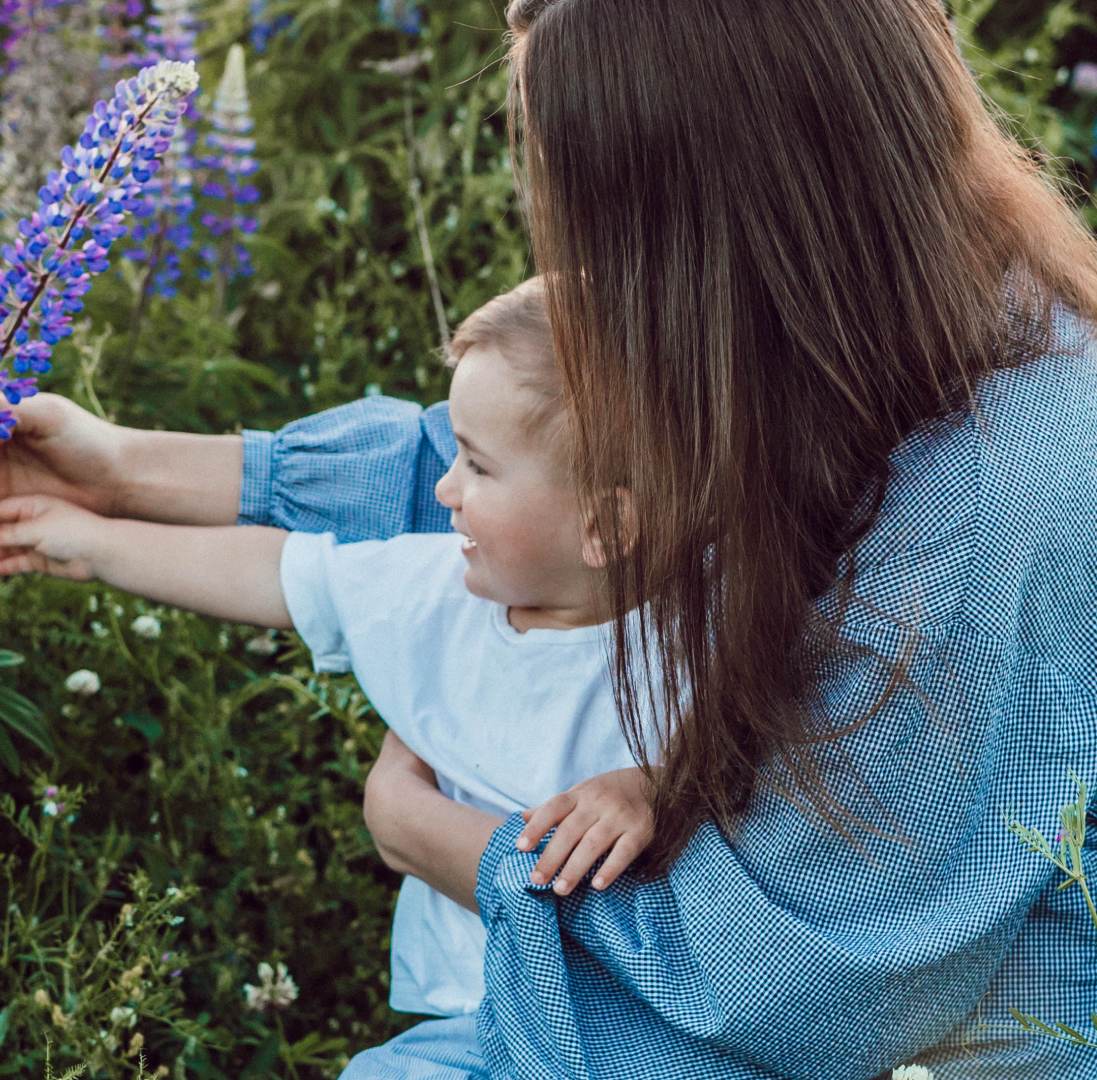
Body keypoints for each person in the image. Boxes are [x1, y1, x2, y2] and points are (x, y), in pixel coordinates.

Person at [0, 0, 1097, 1076]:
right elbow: (543, 481)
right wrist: (126, 472)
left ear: (726, 212)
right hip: (760, 963)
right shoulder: (866, 313)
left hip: (987, 1022)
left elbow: (813, 983)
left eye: (605, 219)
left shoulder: (1016, 487)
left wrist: (447, 847)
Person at [0, 278, 660, 1077]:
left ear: (606, 526)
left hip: (634, 1027)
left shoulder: (698, 635)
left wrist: (652, 785)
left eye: (479, 468)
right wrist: (84, 540)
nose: (444, 490)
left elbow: (760, 768)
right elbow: (276, 573)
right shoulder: (439, 589)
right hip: (474, 1020)